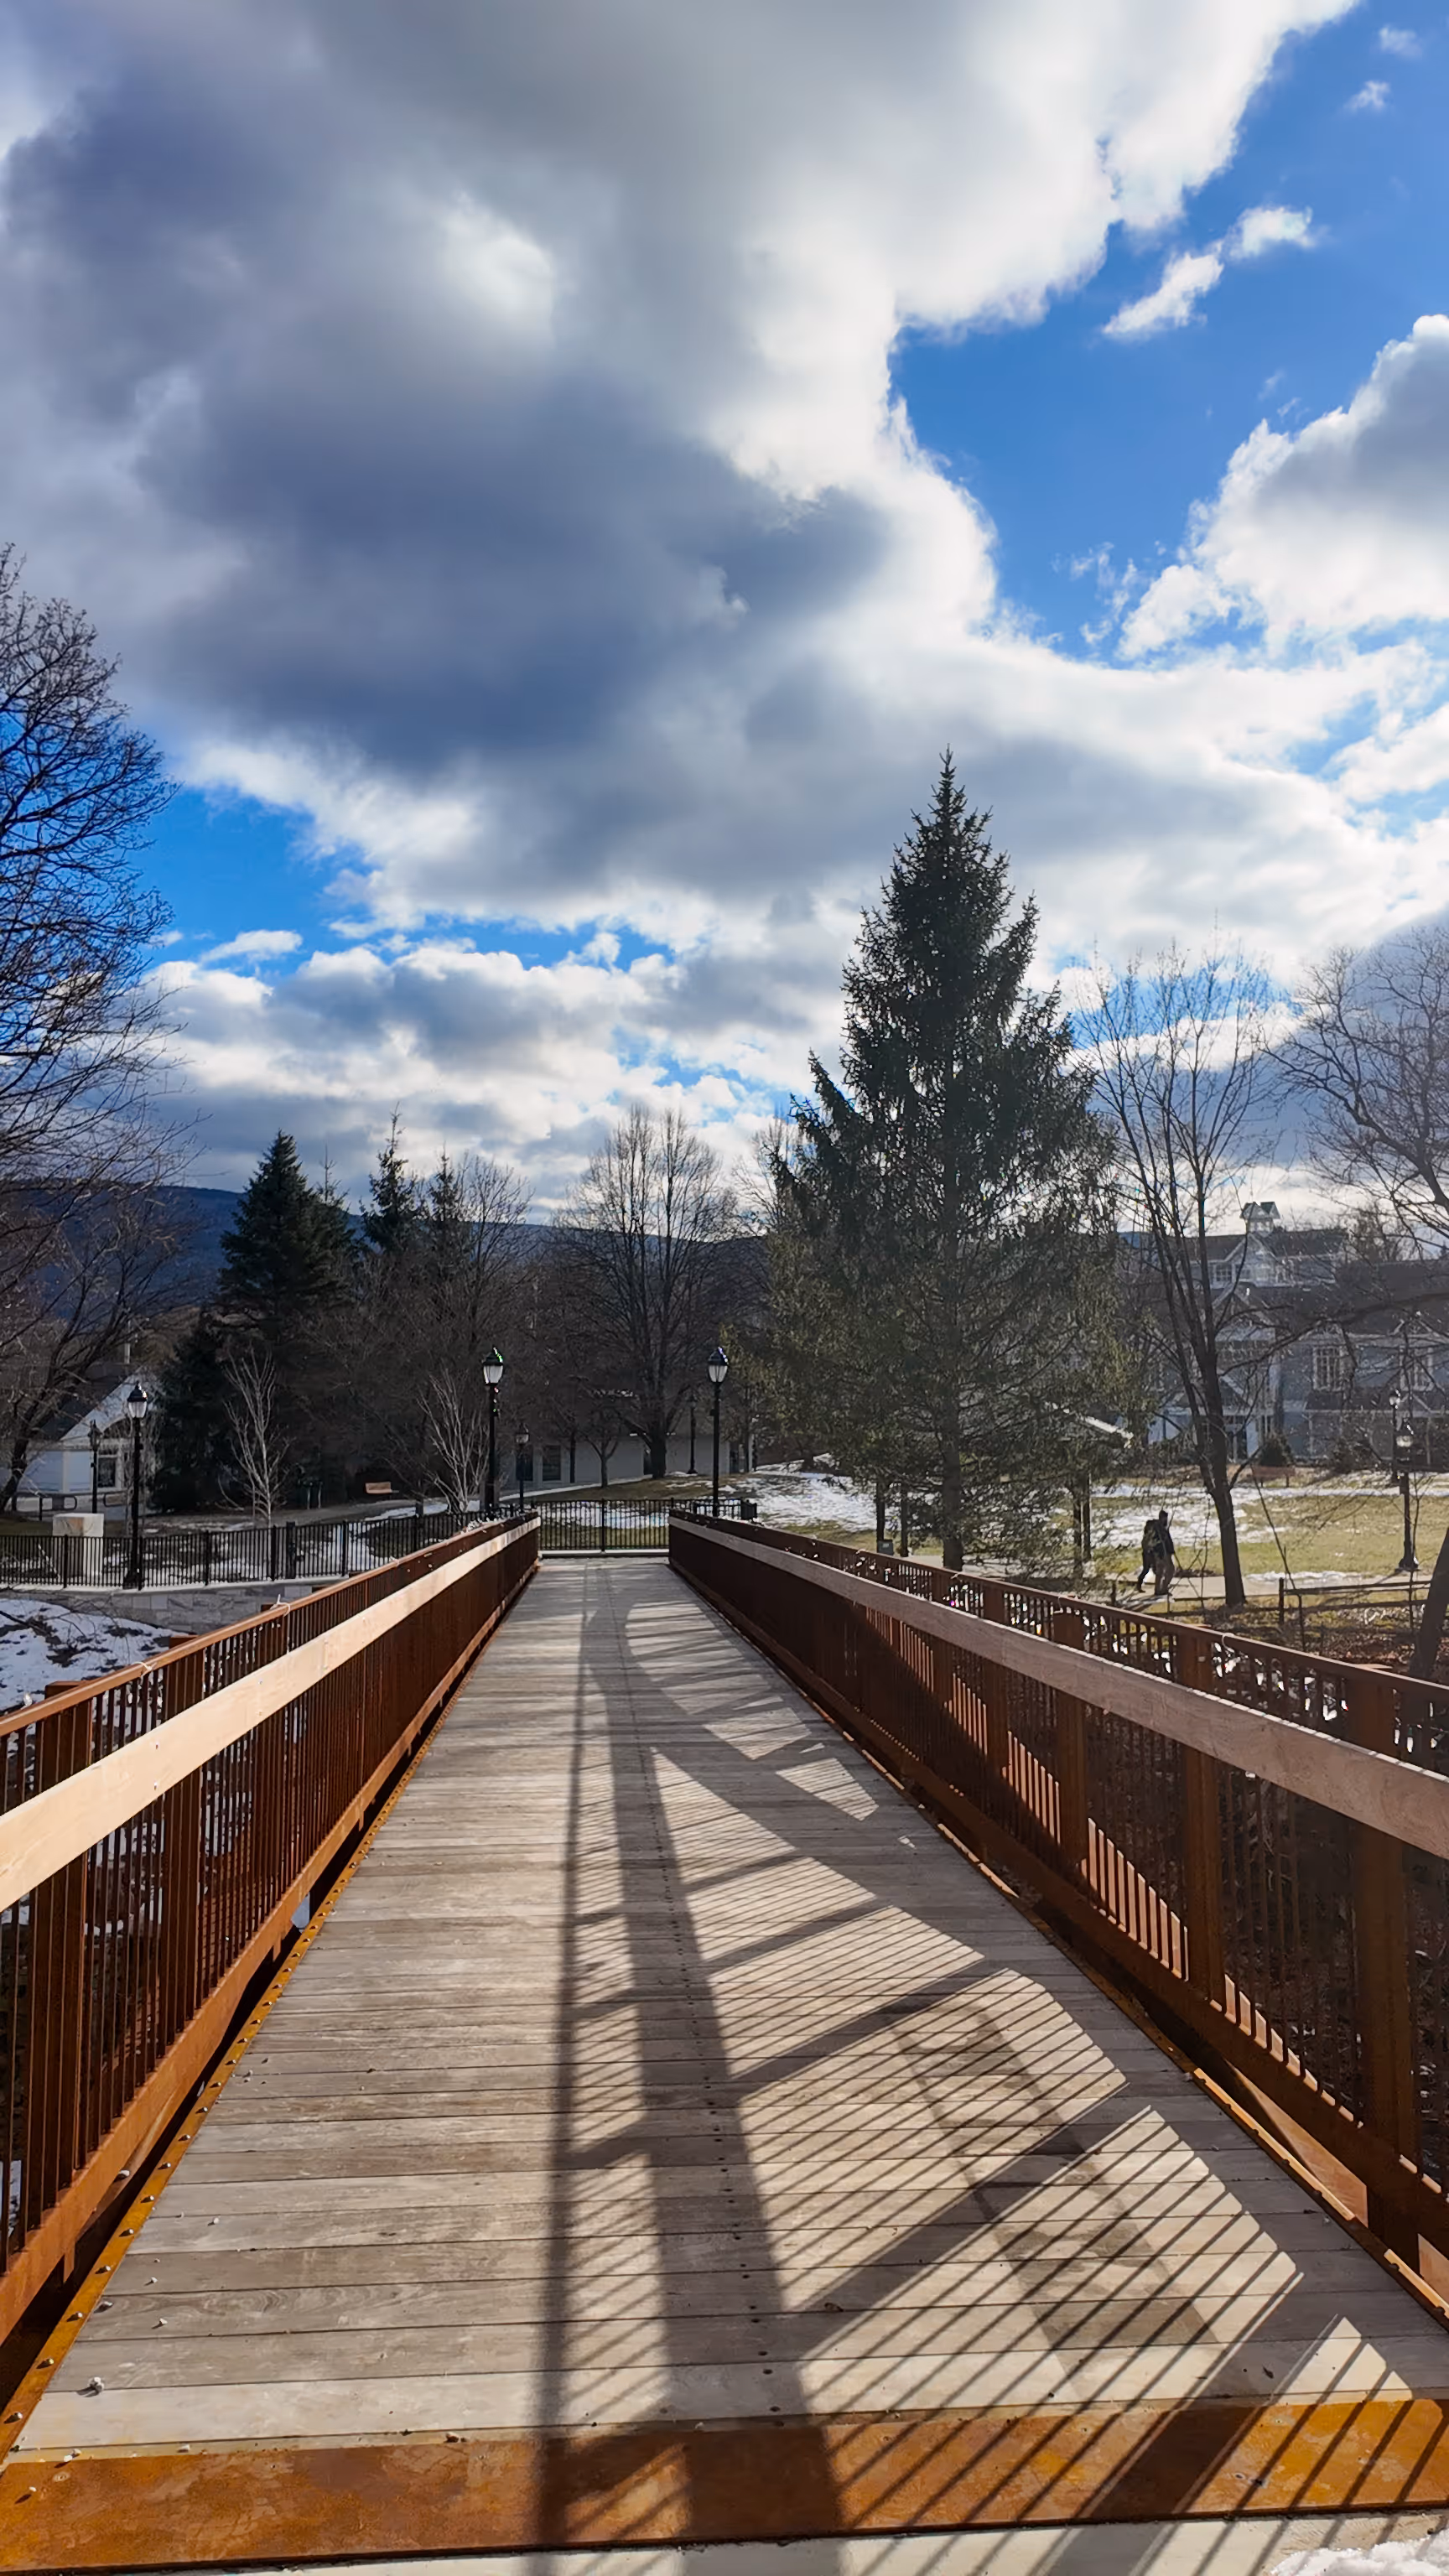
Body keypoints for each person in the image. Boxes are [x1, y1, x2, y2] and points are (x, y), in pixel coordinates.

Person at [1150, 1509, 1176, 1597]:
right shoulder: (1158, 1529)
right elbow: (1160, 1542)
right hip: (1162, 1553)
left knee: (1161, 1571)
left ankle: (1160, 1588)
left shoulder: (1162, 1528)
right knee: (1169, 1570)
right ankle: (1162, 1588)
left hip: (1164, 1553)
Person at [1135, 1517, 1157, 1589]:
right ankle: (1139, 1584)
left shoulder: (1149, 1534)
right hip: (1147, 1554)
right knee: (1146, 1570)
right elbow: (1146, 1545)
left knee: (1154, 1570)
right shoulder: (1147, 1535)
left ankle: (1158, 1585)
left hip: (1150, 1553)